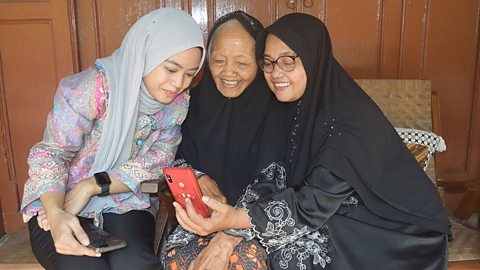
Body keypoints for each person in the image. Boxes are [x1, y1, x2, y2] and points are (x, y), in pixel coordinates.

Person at [172, 13, 451, 270]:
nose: (275, 73)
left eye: (288, 60)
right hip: (332, 213)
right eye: (268, 62)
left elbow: (310, 203)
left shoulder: (347, 122)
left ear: (312, 57)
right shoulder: (297, 105)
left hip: (390, 228)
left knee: (288, 254)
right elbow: (283, 180)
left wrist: (233, 224)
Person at [20, 8, 205, 270]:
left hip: (123, 200)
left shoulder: (174, 106)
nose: (178, 83)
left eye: (189, 74)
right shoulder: (93, 88)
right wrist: (57, 213)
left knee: (135, 263)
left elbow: (156, 162)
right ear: (145, 55)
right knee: (81, 265)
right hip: (57, 200)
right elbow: (52, 154)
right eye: (171, 69)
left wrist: (91, 186)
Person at [162, 11, 287, 270]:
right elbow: (166, 156)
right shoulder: (189, 104)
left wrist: (230, 231)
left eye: (242, 63)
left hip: (262, 224)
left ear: (260, 63)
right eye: (218, 60)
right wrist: (196, 176)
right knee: (179, 260)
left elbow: (281, 182)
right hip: (201, 221)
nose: (228, 72)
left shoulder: (280, 110)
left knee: (242, 261)